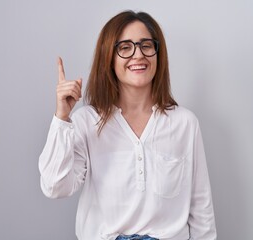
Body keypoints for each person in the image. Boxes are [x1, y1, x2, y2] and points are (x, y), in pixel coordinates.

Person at [39, 10, 217, 240]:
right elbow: (54, 186)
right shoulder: (87, 121)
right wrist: (62, 118)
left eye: (146, 46)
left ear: (158, 55)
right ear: (109, 59)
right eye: (125, 47)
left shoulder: (185, 124)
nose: (138, 55)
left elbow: (201, 210)